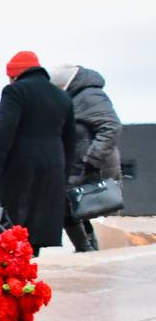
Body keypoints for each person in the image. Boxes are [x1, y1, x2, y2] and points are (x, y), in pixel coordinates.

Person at [0, 51, 75, 255]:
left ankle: (12, 277)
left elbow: (3, 130)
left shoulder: (15, 92)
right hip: (53, 166)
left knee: (12, 226)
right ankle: (30, 265)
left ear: (14, 75)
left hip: (20, 166)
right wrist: (64, 175)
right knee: (37, 226)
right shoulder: (62, 96)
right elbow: (70, 141)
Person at [50, 64, 122, 252]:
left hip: (92, 164)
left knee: (63, 204)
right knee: (75, 207)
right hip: (81, 162)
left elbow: (111, 126)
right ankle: (88, 247)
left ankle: (85, 248)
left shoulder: (90, 95)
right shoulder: (78, 95)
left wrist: (92, 159)